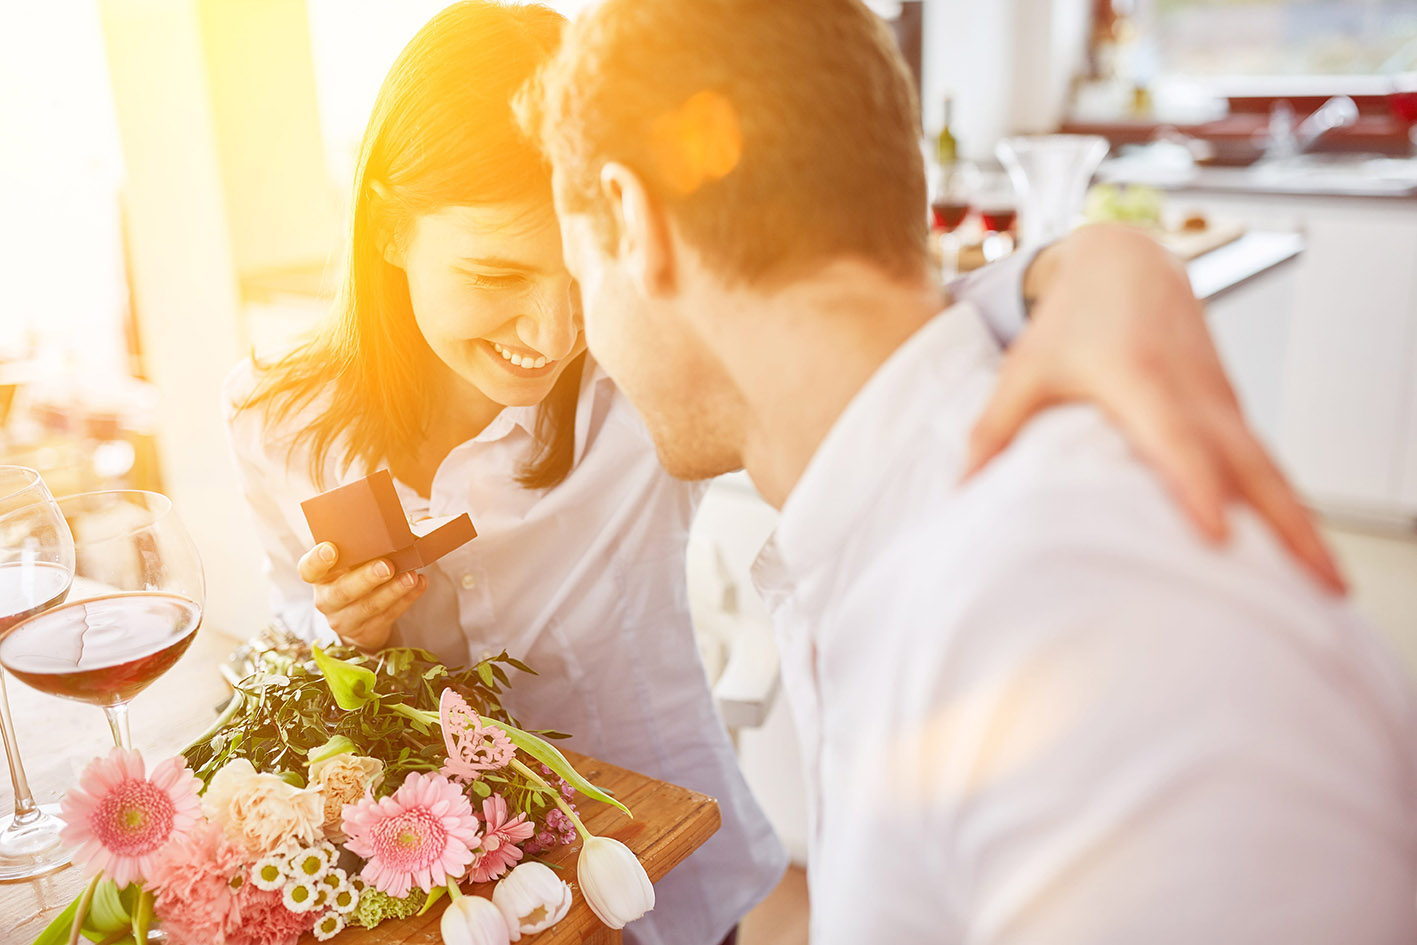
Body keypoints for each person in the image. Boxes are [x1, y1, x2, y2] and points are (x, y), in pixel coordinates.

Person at [517, 1, 1417, 943]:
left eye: (578, 279)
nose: (584, 343)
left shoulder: (1082, 614)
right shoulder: (903, 527)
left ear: (631, 220)